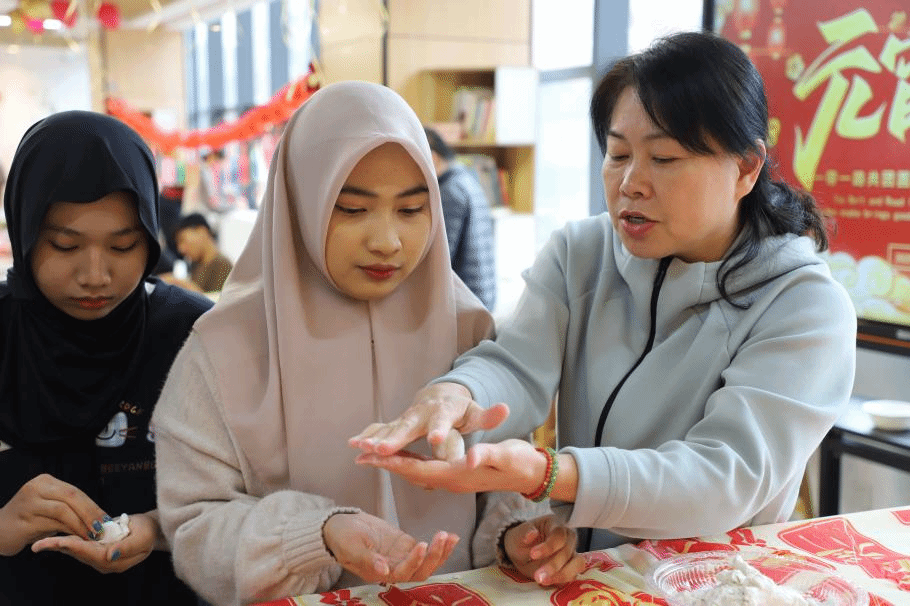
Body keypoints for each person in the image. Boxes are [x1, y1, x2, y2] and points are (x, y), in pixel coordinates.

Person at [351, 31, 858, 552]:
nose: (631, 183)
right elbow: (517, 365)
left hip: (715, 576)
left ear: (746, 168)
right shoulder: (582, 253)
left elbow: (723, 477)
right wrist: (460, 394)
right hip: (592, 572)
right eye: (618, 154)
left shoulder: (804, 307)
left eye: (664, 159)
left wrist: (555, 474)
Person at [151, 81, 583, 606]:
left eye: (411, 209)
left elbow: (500, 474)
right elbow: (194, 526)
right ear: (299, 204)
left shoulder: (466, 325)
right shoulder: (224, 348)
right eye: (353, 210)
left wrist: (517, 535)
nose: (387, 241)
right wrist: (317, 536)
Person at [0, 111, 212, 604]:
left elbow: (243, 495)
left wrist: (157, 528)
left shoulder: (192, 333)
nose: (95, 276)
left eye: (123, 245)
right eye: (64, 245)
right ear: (25, 233)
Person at [424, 127, 496, 310]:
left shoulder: (450, 190)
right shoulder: (467, 179)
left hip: (466, 298)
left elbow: (442, 253)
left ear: (433, 158)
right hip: (482, 293)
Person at [162, 212, 233, 293]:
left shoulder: (223, 265)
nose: (181, 249)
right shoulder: (196, 264)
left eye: (182, 240)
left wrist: (178, 282)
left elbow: (215, 299)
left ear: (202, 231)